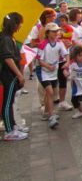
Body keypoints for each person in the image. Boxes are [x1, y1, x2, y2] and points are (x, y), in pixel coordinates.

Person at [0, 12, 29, 141]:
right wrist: (19, 74)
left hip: (11, 75)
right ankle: (9, 131)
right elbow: (7, 58)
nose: (20, 26)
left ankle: (13, 125)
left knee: (10, 102)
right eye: (20, 24)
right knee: (7, 103)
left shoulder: (9, 37)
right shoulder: (6, 39)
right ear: (15, 24)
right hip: (9, 76)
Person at [36, 23, 69, 128]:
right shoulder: (43, 44)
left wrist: (67, 63)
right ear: (47, 33)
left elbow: (66, 54)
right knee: (50, 92)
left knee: (49, 94)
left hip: (54, 71)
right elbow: (39, 61)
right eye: (53, 31)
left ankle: (46, 112)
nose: (56, 33)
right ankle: (51, 116)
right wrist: (48, 66)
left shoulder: (59, 43)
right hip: (43, 71)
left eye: (57, 31)